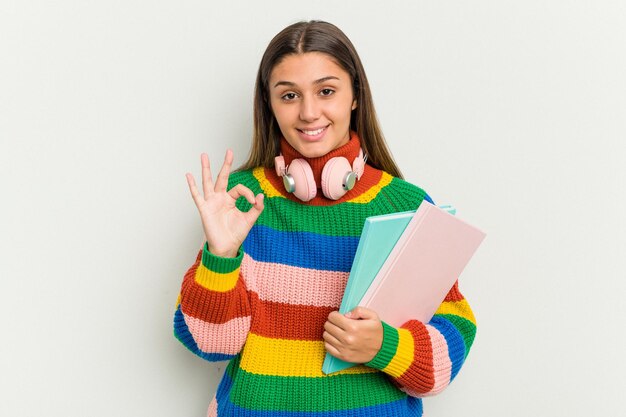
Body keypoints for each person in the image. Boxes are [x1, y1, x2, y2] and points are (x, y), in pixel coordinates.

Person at [174, 20, 476, 417]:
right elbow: (211, 343)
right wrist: (221, 255)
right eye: (289, 95)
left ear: (355, 97)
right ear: (270, 104)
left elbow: (445, 357)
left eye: (326, 91)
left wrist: (385, 347)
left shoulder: (406, 205)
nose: (308, 112)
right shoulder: (241, 201)